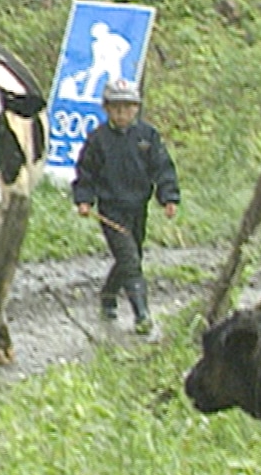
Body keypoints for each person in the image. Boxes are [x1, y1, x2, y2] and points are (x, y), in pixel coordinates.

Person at [72, 78, 180, 334]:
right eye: (116, 108)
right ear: (106, 109)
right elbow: (86, 172)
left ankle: (109, 294)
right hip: (111, 210)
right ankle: (142, 314)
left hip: (137, 208)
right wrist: (84, 199)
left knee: (133, 255)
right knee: (129, 259)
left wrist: (169, 197)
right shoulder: (98, 139)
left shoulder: (147, 136)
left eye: (127, 108)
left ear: (136, 109)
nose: (122, 114)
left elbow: (162, 168)